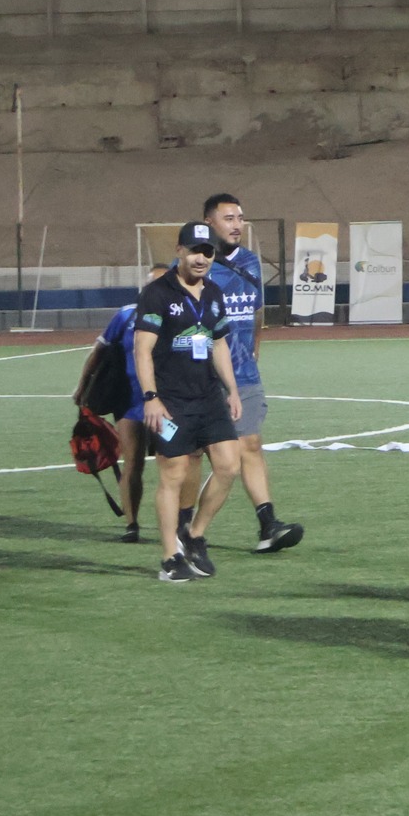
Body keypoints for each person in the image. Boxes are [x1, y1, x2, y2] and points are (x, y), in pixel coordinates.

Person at [133, 222, 244, 583]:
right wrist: (150, 398)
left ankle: (193, 536)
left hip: (208, 397)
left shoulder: (213, 293)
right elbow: (143, 349)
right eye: (195, 250)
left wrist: (232, 389)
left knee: (229, 465)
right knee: (174, 474)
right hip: (170, 402)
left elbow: (220, 344)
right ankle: (169, 557)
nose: (201, 258)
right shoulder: (156, 293)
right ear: (179, 250)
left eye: (208, 252)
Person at [196, 194, 303, 553]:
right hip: (201, 377)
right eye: (228, 218)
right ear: (209, 222)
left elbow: (257, 313)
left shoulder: (251, 263)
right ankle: (185, 531)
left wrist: (255, 347)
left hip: (243, 372)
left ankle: (268, 525)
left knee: (251, 444)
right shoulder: (197, 265)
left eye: (240, 217)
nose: (237, 224)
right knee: (190, 460)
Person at [71, 265, 166, 542]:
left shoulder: (178, 316)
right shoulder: (125, 316)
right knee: (133, 461)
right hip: (131, 403)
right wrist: (83, 386)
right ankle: (132, 524)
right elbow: (98, 352)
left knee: (173, 462)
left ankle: (179, 523)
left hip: (169, 404)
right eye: (152, 285)